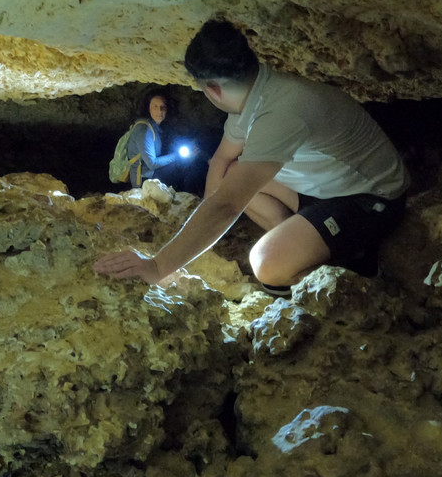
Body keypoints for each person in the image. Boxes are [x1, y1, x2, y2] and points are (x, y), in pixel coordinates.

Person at [95, 19, 410, 293]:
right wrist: (200, 241)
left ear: (212, 89)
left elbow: (228, 204)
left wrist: (157, 266)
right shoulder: (252, 98)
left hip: (371, 198)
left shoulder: (281, 112)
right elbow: (220, 163)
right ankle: (299, 236)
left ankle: (356, 274)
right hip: (323, 186)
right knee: (234, 170)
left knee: (265, 263)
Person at [124, 88, 185, 188]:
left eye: (163, 107)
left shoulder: (155, 127)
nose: (159, 111)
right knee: (178, 165)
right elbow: (152, 163)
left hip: (151, 174)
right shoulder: (144, 129)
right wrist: (177, 156)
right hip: (143, 179)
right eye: (155, 106)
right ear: (148, 108)